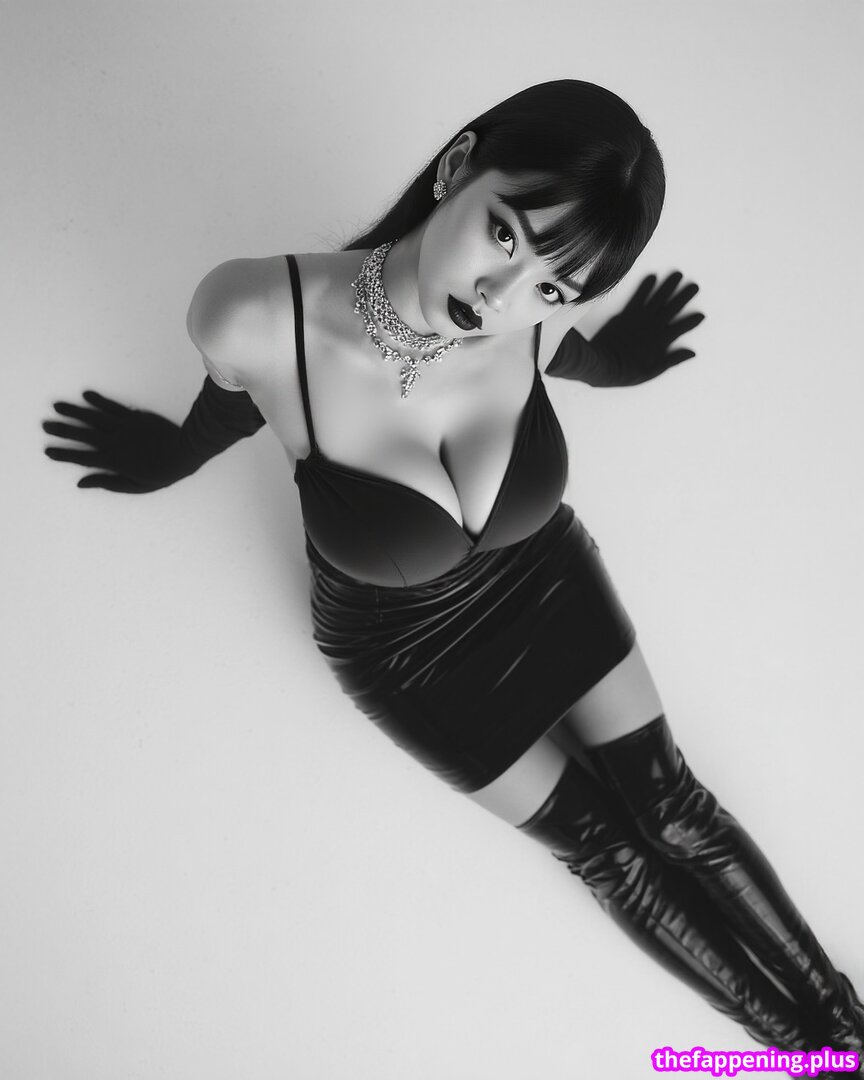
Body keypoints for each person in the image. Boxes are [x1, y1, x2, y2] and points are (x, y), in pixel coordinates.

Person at [41, 80, 863, 1072]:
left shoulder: (529, 322)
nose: (499, 300)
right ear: (457, 165)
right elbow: (235, 400)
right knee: (607, 851)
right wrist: (172, 455)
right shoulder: (256, 313)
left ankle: (846, 1028)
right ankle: (814, 1057)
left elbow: (565, 350)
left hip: (544, 579)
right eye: (504, 234)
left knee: (675, 806)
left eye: (553, 287)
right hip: (405, 652)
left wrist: (619, 356)